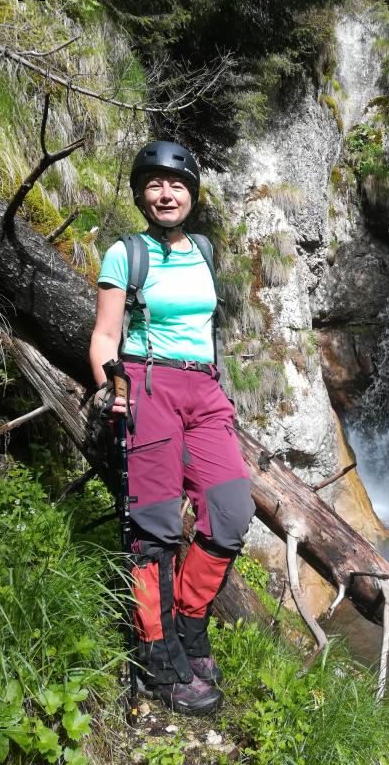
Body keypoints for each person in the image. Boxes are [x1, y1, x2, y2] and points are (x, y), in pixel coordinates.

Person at [89, 140, 255, 716]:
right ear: (141, 194)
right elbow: (105, 336)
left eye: (177, 185)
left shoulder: (204, 250)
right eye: (155, 185)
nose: (166, 194)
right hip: (148, 382)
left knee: (231, 512)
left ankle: (189, 621)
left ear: (192, 195)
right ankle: (158, 659)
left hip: (204, 390)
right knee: (155, 526)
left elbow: (206, 327)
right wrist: (112, 386)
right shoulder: (125, 254)